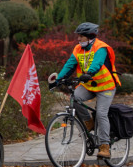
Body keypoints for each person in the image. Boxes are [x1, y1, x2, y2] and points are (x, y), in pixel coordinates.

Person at [47, 22, 121, 159]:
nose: (78, 39)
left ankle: (104, 146)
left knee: (101, 113)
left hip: (106, 86)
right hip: (89, 85)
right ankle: (89, 122)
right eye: (78, 36)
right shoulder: (78, 49)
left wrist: (90, 73)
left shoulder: (101, 47)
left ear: (90, 36)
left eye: (81, 36)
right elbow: (69, 65)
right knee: (74, 98)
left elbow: (97, 63)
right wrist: (57, 81)